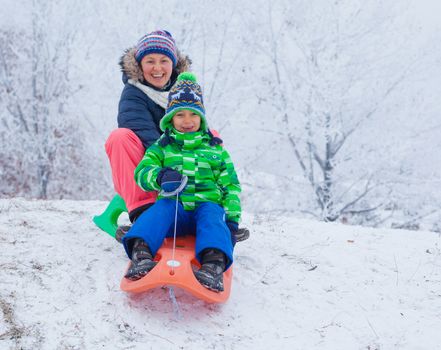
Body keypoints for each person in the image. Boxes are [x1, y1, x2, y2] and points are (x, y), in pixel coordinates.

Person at [121, 72, 241, 292]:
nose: (187, 121)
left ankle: (213, 264)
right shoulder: (162, 146)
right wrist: (159, 176)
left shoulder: (215, 149)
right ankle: (141, 251)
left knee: (213, 213)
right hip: (175, 212)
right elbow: (142, 172)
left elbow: (230, 186)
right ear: (170, 119)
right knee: (161, 208)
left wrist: (232, 223)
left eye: (193, 115)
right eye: (180, 115)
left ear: (202, 118)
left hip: (205, 211)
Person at [105, 30, 191, 224]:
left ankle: (211, 208)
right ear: (140, 65)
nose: (157, 68)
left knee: (211, 136)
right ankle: (143, 212)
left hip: (182, 169)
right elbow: (145, 136)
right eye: (150, 61)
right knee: (119, 137)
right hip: (147, 171)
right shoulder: (133, 93)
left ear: (173, 63)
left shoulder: (185, 91)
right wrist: (166, 171)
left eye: (164, 61)